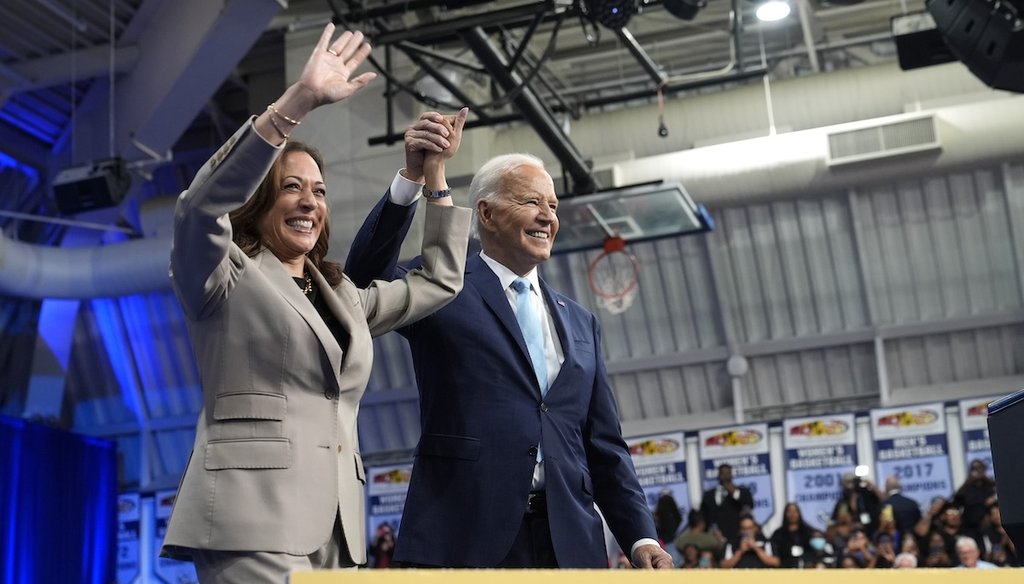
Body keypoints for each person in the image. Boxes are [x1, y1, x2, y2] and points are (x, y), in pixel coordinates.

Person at [159, 24, 472, 583]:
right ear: (257, 202)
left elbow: (440, 283)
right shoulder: (222, 274)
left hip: (336, 529)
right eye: (292, 187)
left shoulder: (343, 294)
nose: (310, 202)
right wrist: (296, 104)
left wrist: (433, 178)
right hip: (249, 520)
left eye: (320, 191)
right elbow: (199, 208)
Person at [345, 153, 673, 569]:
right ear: (486, 212)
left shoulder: (580, 322)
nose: (547, 217)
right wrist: (412, 179)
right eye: (532, 202)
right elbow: (363, 280)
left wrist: (641, 537)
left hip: (570, 546)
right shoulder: (441, 289)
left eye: (552, 206)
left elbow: (604, 446)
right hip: (464, 539)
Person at [700, 463, 754, 543]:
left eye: (728, 473)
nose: (725, 476)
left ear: (731, 475)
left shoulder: (742, 492)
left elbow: (749, 506)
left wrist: (734, 493)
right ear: (718, 475)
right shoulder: (708, 495)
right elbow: (704, 515)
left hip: (738, 536)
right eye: (723, 473)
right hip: (715, 537)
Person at [831, 472, 883, 536]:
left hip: (872, 529)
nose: (850, 485)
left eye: (852, 481)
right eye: (847, 482)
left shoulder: (866, 494)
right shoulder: (842, 502)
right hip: (852, 533)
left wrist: (871, 485)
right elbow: (835, 520)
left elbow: (883, 500)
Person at [769, 502, 815, 568]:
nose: (792, 514)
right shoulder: (778, 534)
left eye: (795, 511)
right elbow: (775, 554)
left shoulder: (808, 532)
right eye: (789, 511)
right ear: (785, 514)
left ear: (799, 513)